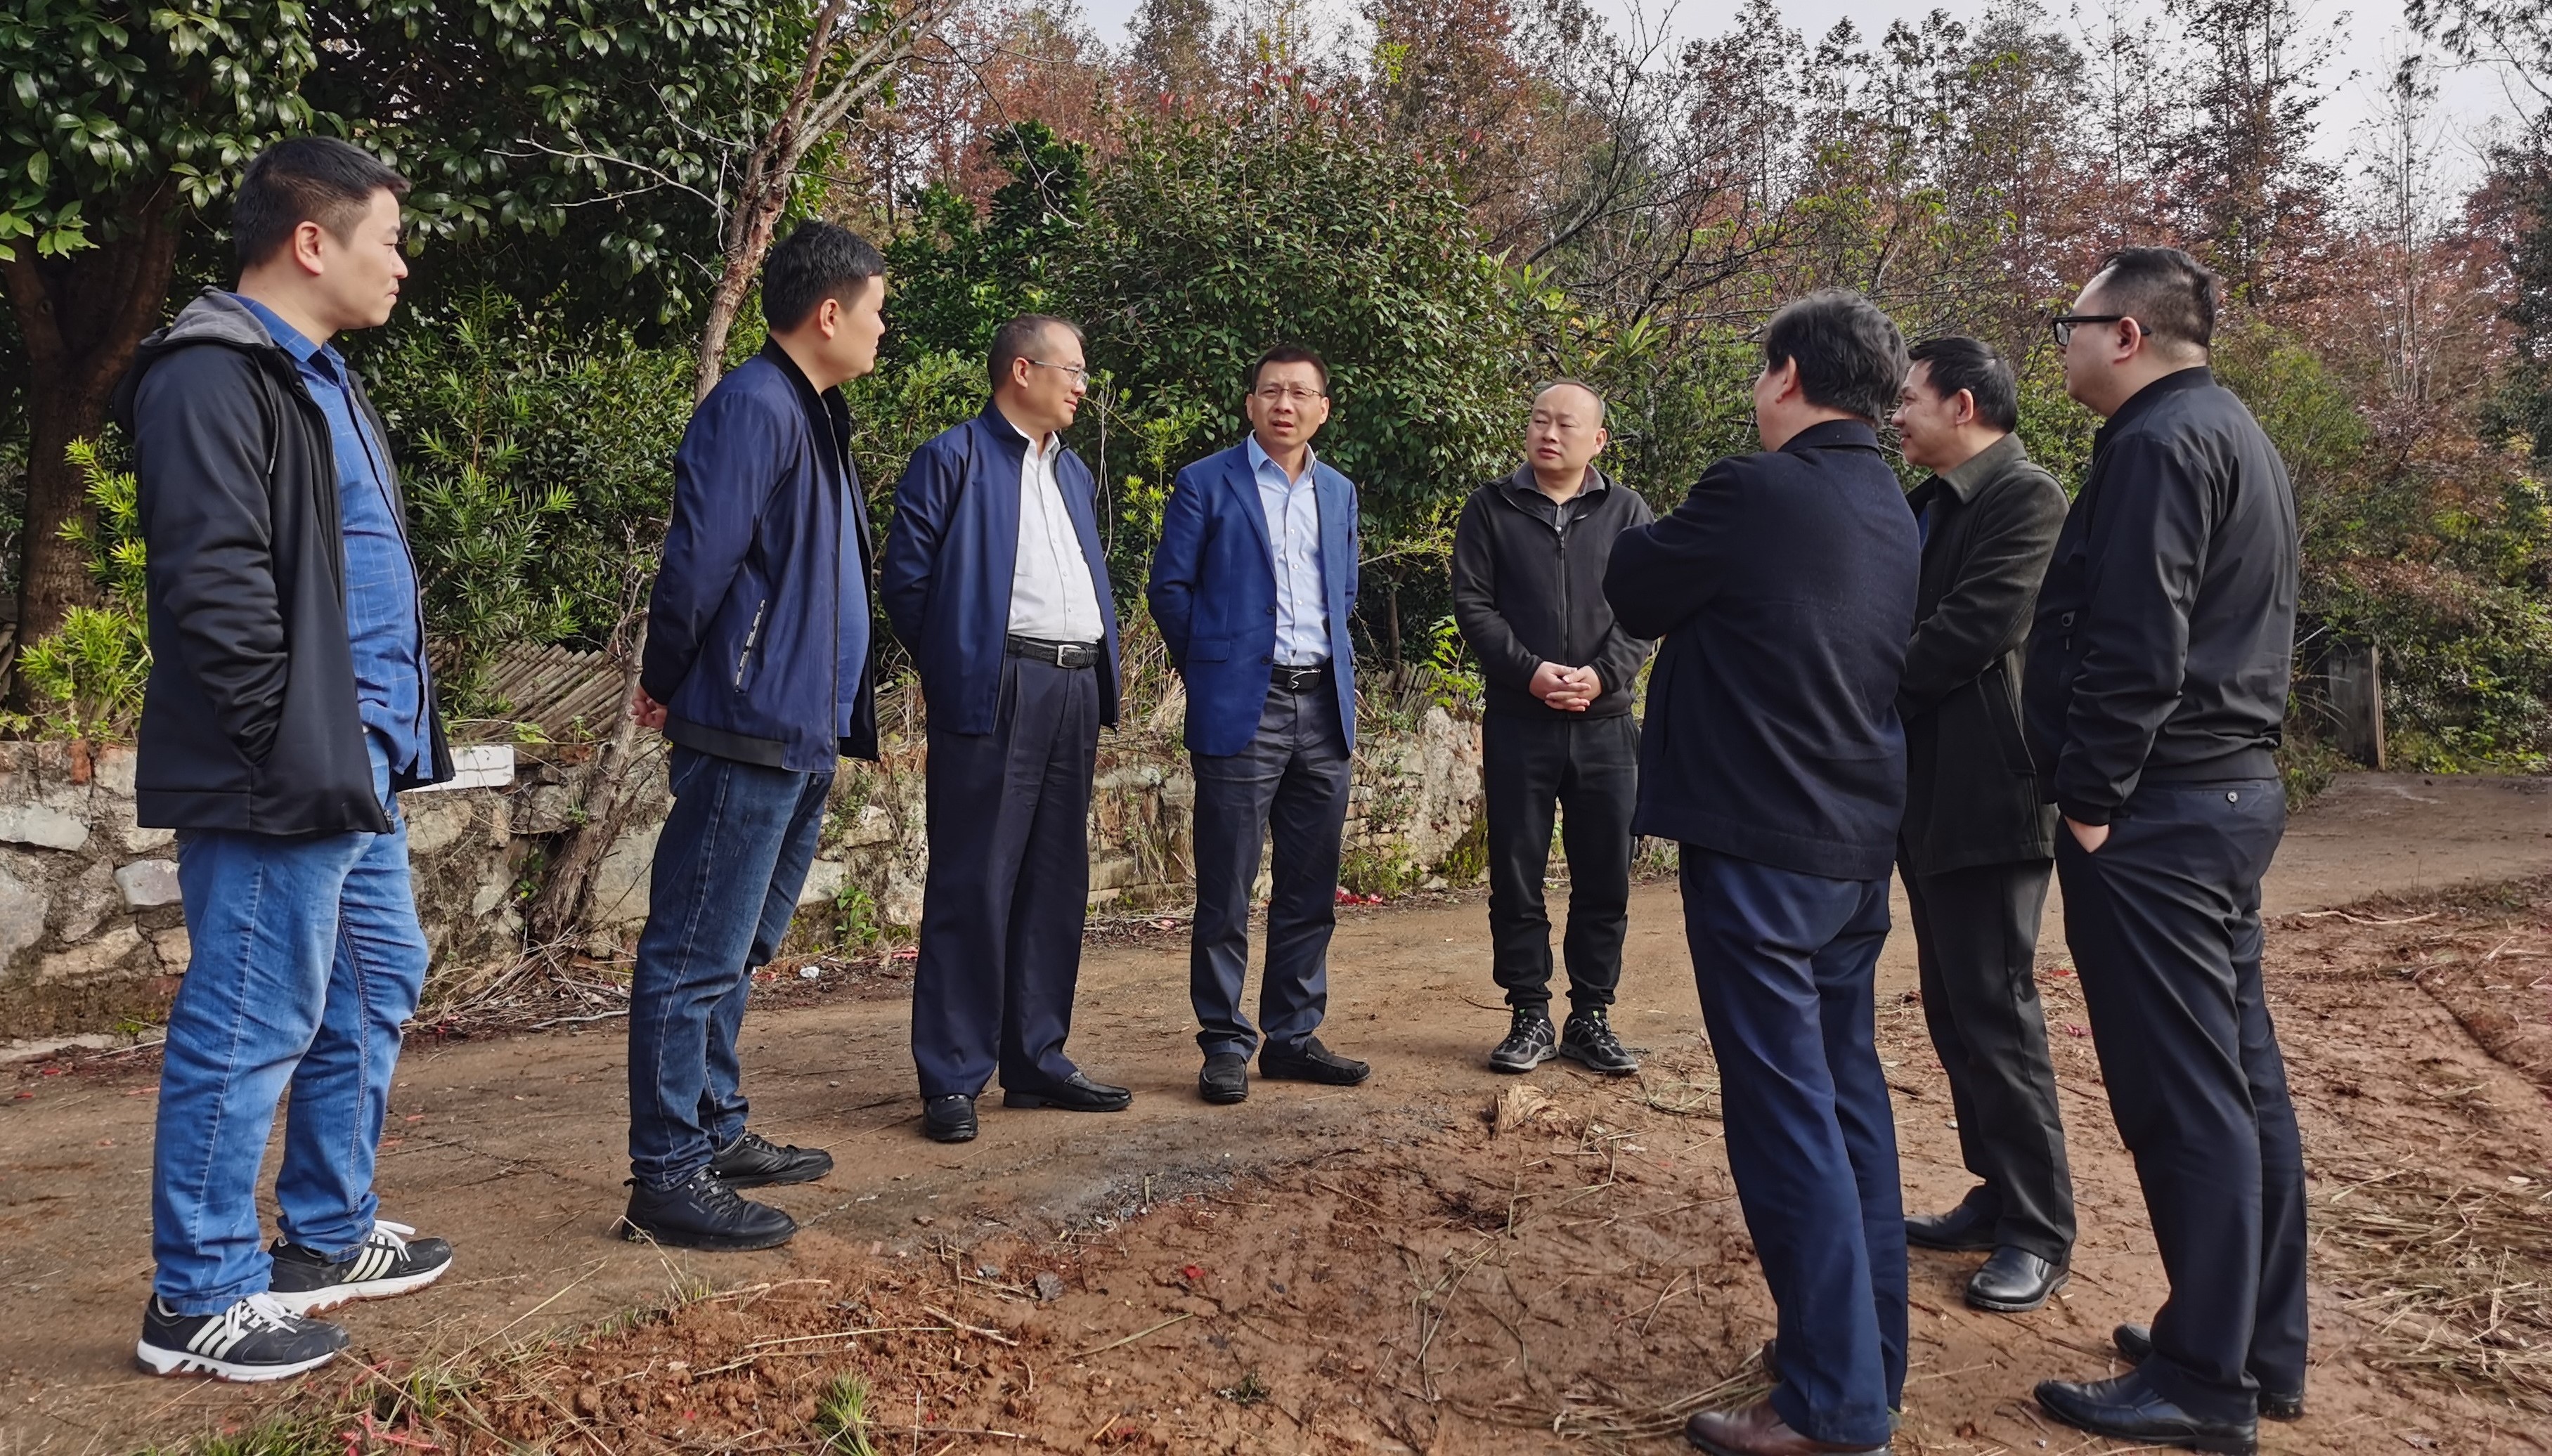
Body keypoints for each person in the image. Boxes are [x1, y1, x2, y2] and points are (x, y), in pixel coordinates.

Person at [115, 138, 457, 1381]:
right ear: (312, 242)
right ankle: (196, 1296)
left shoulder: (316, 376)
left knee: (373, 982)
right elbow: (213, 590)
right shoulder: (212, 377)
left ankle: (321, 1234)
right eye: (388, 240)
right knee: (254, 1014)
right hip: (286, 766)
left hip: (347, 759)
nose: (402, 264)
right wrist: (285, 745)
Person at [1605, 290, 1917, 1456]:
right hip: (1851, 849)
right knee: (1848, 1105)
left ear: (1788, 375)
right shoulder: (1893, 506)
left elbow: (1634, 583)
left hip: (1761, 851)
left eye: (1758, 372)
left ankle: (1831, 1406)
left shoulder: (1754, 489)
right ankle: (1865, 1363)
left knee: (1785, 1119)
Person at [2027, 247, 2303, 1456]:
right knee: (2240, 1080)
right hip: (2224, 794)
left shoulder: (2152, 445)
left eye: (2070, 325)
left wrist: (2089, 797)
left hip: (2161, 814)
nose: (2064, 345)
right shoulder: (2231, 430)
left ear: (2126, 333)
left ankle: (2203, 1380)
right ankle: (2251, 1341)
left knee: (2183, 1094)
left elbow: (2140, 634)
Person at [620, 222, 889, 1250]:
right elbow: (698, 562)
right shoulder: (752, 407)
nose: (882, 328)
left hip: (798, 728)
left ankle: (715, 1128)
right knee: (692, 955)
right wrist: (664, 679)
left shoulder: (812, 411)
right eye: (875, 310)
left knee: (737, 947)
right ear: (828, 313)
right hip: (746, 723)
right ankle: (667, 1174)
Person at [884, 315, 1130, 1143]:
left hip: (1072, 688)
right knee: (973, 880)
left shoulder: (1072, 474)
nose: (1081, 385)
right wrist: (963, 666)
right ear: (1021, 371)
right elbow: (907, 586)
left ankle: (1036, 1058)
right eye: (1072, 370)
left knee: (1055, 880)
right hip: (995, 686)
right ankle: (952, 1074)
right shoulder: (949, 458)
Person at [1887, 337, 2075, 1315]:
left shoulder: (2023, 498)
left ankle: (2040, 1229)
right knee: (1954, 1007)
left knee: (1996, 1010)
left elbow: (1972, 630)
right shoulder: (1924, 504)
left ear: (1961, 405)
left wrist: (1855, 691)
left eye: (1909, 398)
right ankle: (1996, 1192)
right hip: (1924, 795)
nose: (1895, 414)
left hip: (1989, 795)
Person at [1148, 344, 1371, 1105]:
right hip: (1244, 704)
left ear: (1322, 409)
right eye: (1271, 391)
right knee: (1227, 884)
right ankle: (1223, 1039)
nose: (1285, 403)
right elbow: (1169, 588)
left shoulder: (1338, 491)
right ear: (1250, 404)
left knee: (1310, 885)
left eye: (1301, 393)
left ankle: (1293, 1035)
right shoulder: (1206, 482)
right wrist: (1213, 666)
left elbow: (1342, 594)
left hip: (1322, 706)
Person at [1450, 381, 1654, 1077]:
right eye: (1539, 419)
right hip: (1519, 721)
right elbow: (1473, 605)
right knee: (1516, 872)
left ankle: (1590, 1014)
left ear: (1597, 439)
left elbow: (1646, 610)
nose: (1549, 433)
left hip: (1605, 725)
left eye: (1566, 424)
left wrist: (1604, 674)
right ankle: (1529, 1012)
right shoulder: (1490, 508)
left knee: (1606, 875)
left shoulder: (1627, 512)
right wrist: (1531, 671)